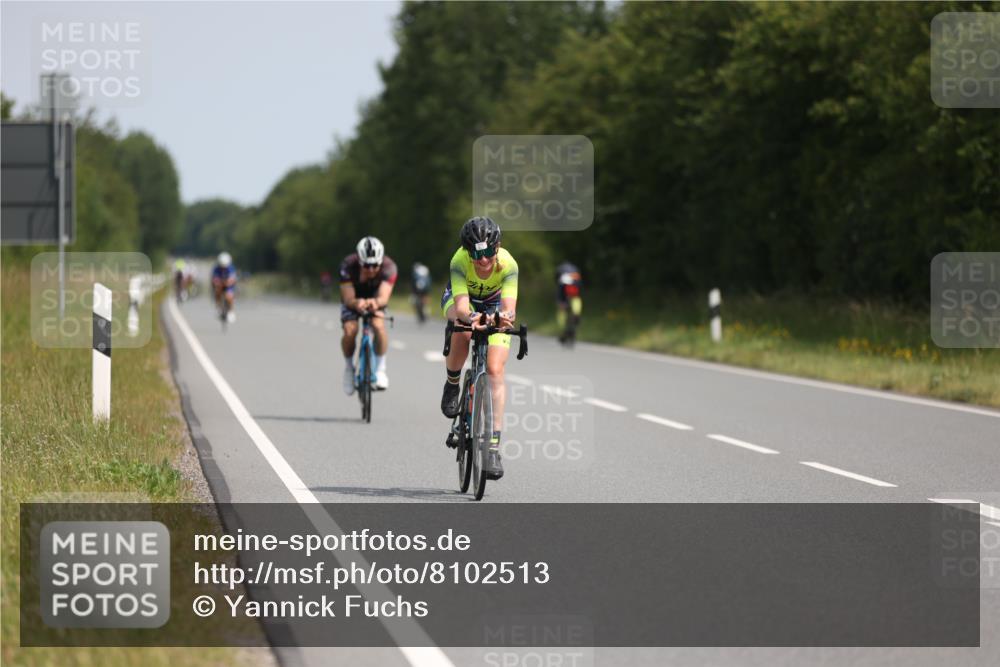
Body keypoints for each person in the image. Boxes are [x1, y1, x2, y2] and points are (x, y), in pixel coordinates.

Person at [440, 217, 518, 479]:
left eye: (487, 252)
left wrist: (499, 319)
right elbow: (461, 307)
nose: (482, 259)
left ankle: (493, 448)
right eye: (476, 253)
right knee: (461, 332)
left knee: (495, 369)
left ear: (497, 247)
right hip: (464, 302)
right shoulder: (459, 261)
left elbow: (509, 309)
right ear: (466, 251)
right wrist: (472, 318)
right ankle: (452, 384)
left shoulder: (508, 265)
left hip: (495, 305)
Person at [339, 236, 397, 394]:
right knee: (350, 330)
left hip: (375, 297)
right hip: (353, 298)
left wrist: (375, 303)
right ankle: (349, 368)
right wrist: (357, 303)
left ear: (381, 261)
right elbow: (348, 298)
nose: (371, 270)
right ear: (358, 261)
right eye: (366, 265)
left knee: (378, 325)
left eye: (374, 265)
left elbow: (383, 297)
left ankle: (380, 369)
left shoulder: (389, 267)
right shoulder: (348, 266)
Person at [555, 261, 583, 345]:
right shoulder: (575, 276)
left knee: (563, 311)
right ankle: (575, 316)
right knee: (574, 302)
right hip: (573, 297)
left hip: (571, 296)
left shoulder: (562, 279)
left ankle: (565, 327)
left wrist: (560, 303)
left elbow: (559, 293)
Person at [211, 252, 237, 322]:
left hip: (229, 285)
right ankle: (219, 307)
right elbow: (214, 279)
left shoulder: (231, 268)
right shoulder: (216, 268)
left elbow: (233, 279)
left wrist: (227, 283)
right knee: (217, 292)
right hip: (220, 284)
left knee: (229, 296)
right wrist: (217, 283)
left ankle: (231, 311)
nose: (223, 268)